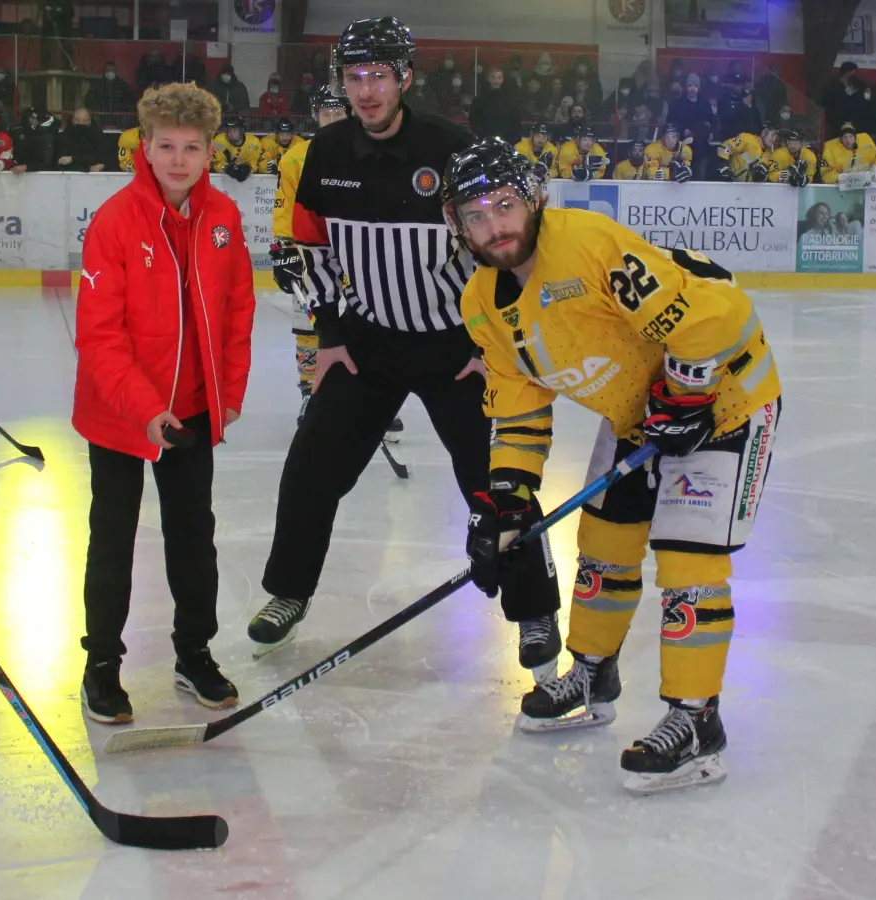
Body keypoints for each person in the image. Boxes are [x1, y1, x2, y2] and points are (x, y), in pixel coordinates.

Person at [443, 137, 781, 794]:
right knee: (603, 546)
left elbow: (716, 311)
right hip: (642, 412)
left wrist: (686, 394)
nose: (495, 227)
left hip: (728, 399)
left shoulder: (588, 245)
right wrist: (508, 503)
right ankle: (593, 673)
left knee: (687, 561)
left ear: (534, 199)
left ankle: (695, 717)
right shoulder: (481, 303)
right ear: (456, 225)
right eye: (476, 215)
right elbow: (517, 407)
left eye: (505, 205)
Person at [247, 18, 561, 671]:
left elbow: (502, 251)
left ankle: (532, 610)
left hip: (457, 347)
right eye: (354, 77)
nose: (366, 90)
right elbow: (313, 254)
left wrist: (492, 345)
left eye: (379, 76)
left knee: (500, 479)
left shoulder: (451, 148)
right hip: (368, 343)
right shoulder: (322, 156)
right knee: (311, 469)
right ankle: (289, 592)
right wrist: (329, 333)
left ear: (405, 78)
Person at [73, 83, 255, 724]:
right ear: (143, 148)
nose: (179, 160)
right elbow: (99, 334)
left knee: (192, 536)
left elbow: (237, 312)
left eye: (193, 147)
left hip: (196, 410)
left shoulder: (225, 219)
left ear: (210, 151)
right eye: (166, 146)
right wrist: (144, 407)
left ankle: (194, 652)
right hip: (119, 412)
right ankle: (101, 664)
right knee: (113, 538)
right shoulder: (115, 222)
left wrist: (227, 393)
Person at [271, 86, 348, 425]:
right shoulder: (295, 158)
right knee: (308, 323)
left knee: (369, 324)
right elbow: (284, 206)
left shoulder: (368, 151)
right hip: (310, 252)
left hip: (357, 252)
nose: (332, 118)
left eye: (338, 112)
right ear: (316, 115)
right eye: (325, 112)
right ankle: (310, 392)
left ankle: (368, 394)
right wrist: (283, 249)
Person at [211, 114, 261, 181]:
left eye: (235, 129)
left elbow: (255, 162)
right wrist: (226, 168)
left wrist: (248, 168)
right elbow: (217, 162)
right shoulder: (219, 141)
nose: (231, 133)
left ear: (242, 130)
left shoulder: (253, 142)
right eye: (229, 130)